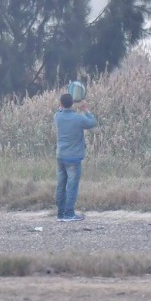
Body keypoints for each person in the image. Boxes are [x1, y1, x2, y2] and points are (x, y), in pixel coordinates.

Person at [54, 91, 97, 222]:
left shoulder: (57, 116)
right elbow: (93, 122)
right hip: (74, 157)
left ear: (60, 104)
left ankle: (60, 214)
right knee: (72, 186)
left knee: (61, 185)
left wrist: (65, 104)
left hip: (61, 156)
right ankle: (69, 213)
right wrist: (86, 110)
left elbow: (60, 110)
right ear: (72, 104)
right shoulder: (78, 118)